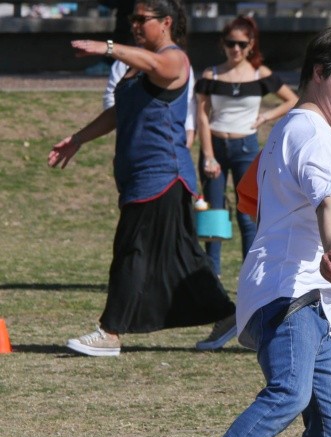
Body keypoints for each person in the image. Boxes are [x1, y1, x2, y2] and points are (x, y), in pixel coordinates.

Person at [216, 25, 331, 437]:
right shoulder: (312, 134)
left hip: (305, 301)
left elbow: (311, 199)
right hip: (291, 294)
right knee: (289, 392)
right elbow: (325, 202)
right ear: (320, 73)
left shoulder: (296, 129)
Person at [49, 0, 235, 357]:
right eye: (131, 19)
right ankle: (229, 315)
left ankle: (110, 332)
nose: (134, 25)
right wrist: (78, 139)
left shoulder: (173, 58)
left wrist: (106, 47)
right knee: (182, 256)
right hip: (140, 176)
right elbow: (120, 112)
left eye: (141, 19)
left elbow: (155, 63)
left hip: (161, 174)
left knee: (131, 249)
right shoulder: (134, 68)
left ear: (165, 22)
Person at [193, 15, 299, 351]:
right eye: (230, 43)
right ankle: (214, 285)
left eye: (242, 44)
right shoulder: (210, 74)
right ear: (222, 44)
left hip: (246, 147)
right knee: (213, 217)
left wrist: (266, 117)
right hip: (217, 147)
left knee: (247, 214)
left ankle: (252, 279)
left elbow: (292, 99)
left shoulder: (260, 75)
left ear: (250, 45)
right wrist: (207, 153)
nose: (236, 49)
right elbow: (202, 114)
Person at [104, 58, 197, 147]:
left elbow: (187, 103)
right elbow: (112, 103)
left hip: (168, 147)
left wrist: (189, 131)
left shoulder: (178, 61)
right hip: (133, 142)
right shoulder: (123, 63)